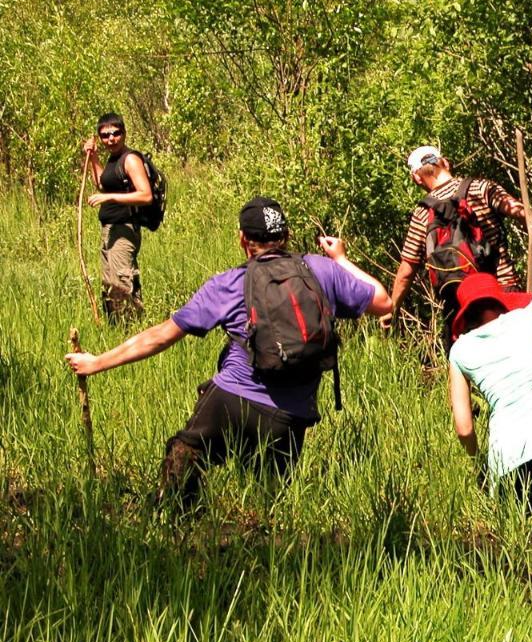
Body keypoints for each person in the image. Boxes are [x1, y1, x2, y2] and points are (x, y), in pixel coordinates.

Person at [65, 197, 393, 510]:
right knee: (271, 506)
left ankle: (174, 529)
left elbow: (161, 337)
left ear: (242, 239)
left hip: (230, 400)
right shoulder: (322, 270)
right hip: (289, 416)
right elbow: (383, 301)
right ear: (287, 235)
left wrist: (97, 363)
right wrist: (341, 259)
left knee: (185, 456)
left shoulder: (229, 283)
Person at [447, 272, 532, 545]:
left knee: (523, 539)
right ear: (500, 301)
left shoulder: (460, 350)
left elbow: (464, 429)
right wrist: (531, 320)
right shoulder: (527, 320)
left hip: (507, 456)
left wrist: (480, 463)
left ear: (468, 316)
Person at [388, 145, 531, 349]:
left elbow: (406, 271)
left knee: (470, 369)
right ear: (445, 162)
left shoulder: (422, 214)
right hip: (503, 290)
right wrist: (529, 215)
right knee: (516, 359)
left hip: (461, 304)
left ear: (417, 179)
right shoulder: (480, 188)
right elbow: (515, 208)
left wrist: (392, 307)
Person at [81, 112, 153, 320]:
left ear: (124, 133)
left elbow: (145, 195)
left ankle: (132, 329)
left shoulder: (130, 159)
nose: (111, 138)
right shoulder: (113, 160)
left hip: (125, 228)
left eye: (116, 133)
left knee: (122, 282)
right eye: (105, 135)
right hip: (110, 229)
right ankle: (118, 328)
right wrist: (93, 157)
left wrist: (108, 198)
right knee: (110, 285)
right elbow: (102, 184)